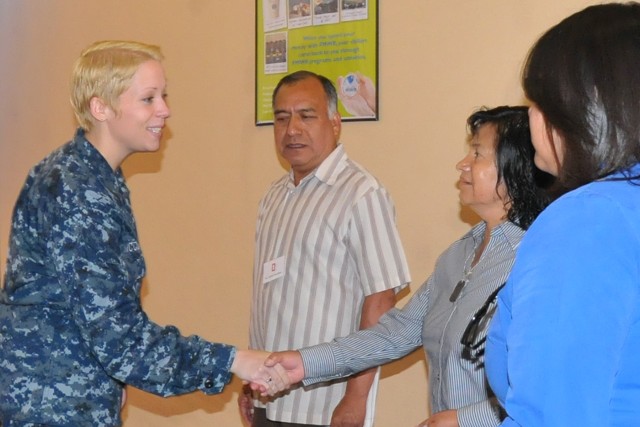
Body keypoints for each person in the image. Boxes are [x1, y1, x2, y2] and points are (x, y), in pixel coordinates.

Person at [0, 40, 286, 427]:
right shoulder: (77, 190)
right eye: (148, 98)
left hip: (69, 397)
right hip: (54, 407)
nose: (165, 110)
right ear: (101, 107)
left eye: (163, 96)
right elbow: (118, 339)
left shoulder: (92, 177)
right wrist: (234, 360)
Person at [265, 106, 553, 427]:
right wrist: (305, 363)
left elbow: (548, 385)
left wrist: (465, 420)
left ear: (515, 167)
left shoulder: (539, 260)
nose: (462, 164)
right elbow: (398, 333)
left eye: (477, 153)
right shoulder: (457, 256)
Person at [483, 3, 640, 426]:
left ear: (587, 111)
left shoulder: (589, 222)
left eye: (539, 102)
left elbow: (552, 416)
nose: (530, 115)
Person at [239, 70, 411, 427]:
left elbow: (381, 301)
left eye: (306, 115)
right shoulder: (273, 197)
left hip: (326, 407)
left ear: (335, 123)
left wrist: (356, 398)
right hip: (270, 400)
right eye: (282, 118)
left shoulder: (362, 194)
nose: (292, 129)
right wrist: (252, 382)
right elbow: (269, 302)